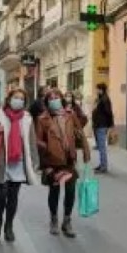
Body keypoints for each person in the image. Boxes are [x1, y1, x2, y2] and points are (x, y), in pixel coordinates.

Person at [0, 88, 39, 242]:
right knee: (1, 195)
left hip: (18, 163)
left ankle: (9, 226)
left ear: (24, 102)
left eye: (21, 98)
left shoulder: (27, 118)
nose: (18, 100)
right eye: (15, 97)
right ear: (9, 99)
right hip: (1, 163)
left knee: (13, 197)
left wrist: (34, 161)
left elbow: (31, 141)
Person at [36, 89, 90, 237]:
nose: (54, 100)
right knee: (54, 192)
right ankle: (54, 219)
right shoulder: (43, 119)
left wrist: (86, 152)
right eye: (51, 98)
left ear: (61, 99)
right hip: (52, 161)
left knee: (70, 191)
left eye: (57, 97)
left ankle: (67, 221)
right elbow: (37, 140)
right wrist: (46, 150)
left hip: (69, 160)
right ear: (47, 102)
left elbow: (81, 127)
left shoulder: (70, 115)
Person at [92, 83, 114, 173]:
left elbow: (109, 112)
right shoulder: (101, 98)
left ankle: (103, 167)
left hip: (102, 125)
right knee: (100, 147)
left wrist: (111, 124)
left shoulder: (105, 99)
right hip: (99, 125)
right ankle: (101, 164)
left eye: (97, 89)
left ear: (101, 89)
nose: (96, 90)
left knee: (102, 147)